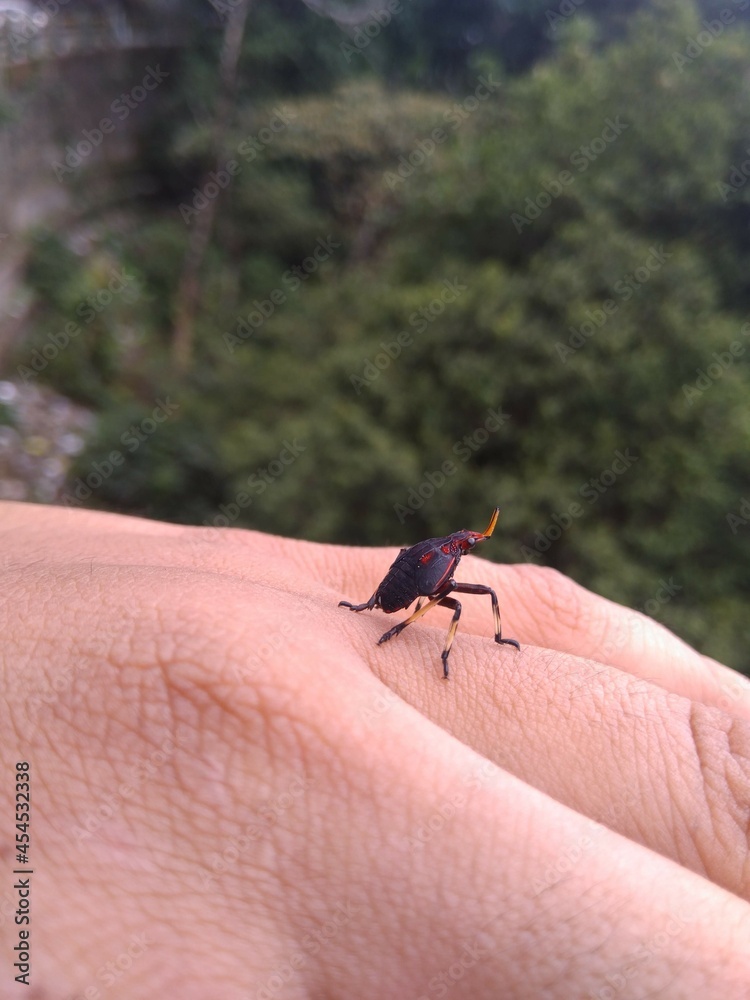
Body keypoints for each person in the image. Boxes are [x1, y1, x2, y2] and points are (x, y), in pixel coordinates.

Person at [1, 501, 749, 999]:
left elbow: (415, 569)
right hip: (396, 600)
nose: (471, 548)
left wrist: (381, 606)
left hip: (390, 593)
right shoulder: (443, 557)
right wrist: (393, 618)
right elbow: (425, 582)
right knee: (469, 604)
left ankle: (421, 636)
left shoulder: (437, 549)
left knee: (466, 601)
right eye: (474, 541)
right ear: (466, 543)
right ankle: (437, 646)